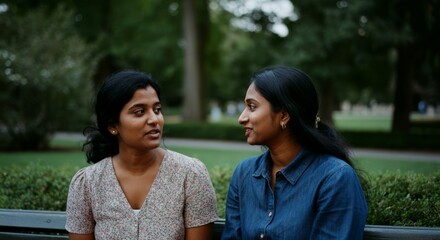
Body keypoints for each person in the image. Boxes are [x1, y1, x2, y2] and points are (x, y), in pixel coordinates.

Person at [65, 70, 217, 240]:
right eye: (139, 112)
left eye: (157, 109)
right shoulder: (87, 184)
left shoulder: (190, 175)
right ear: (112, 125)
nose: (154, 119)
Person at [221, 66, 368, 239]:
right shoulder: (244, 174)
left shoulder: (335, 179)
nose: (241, 118)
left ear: (283, 115)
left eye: (252, 107)